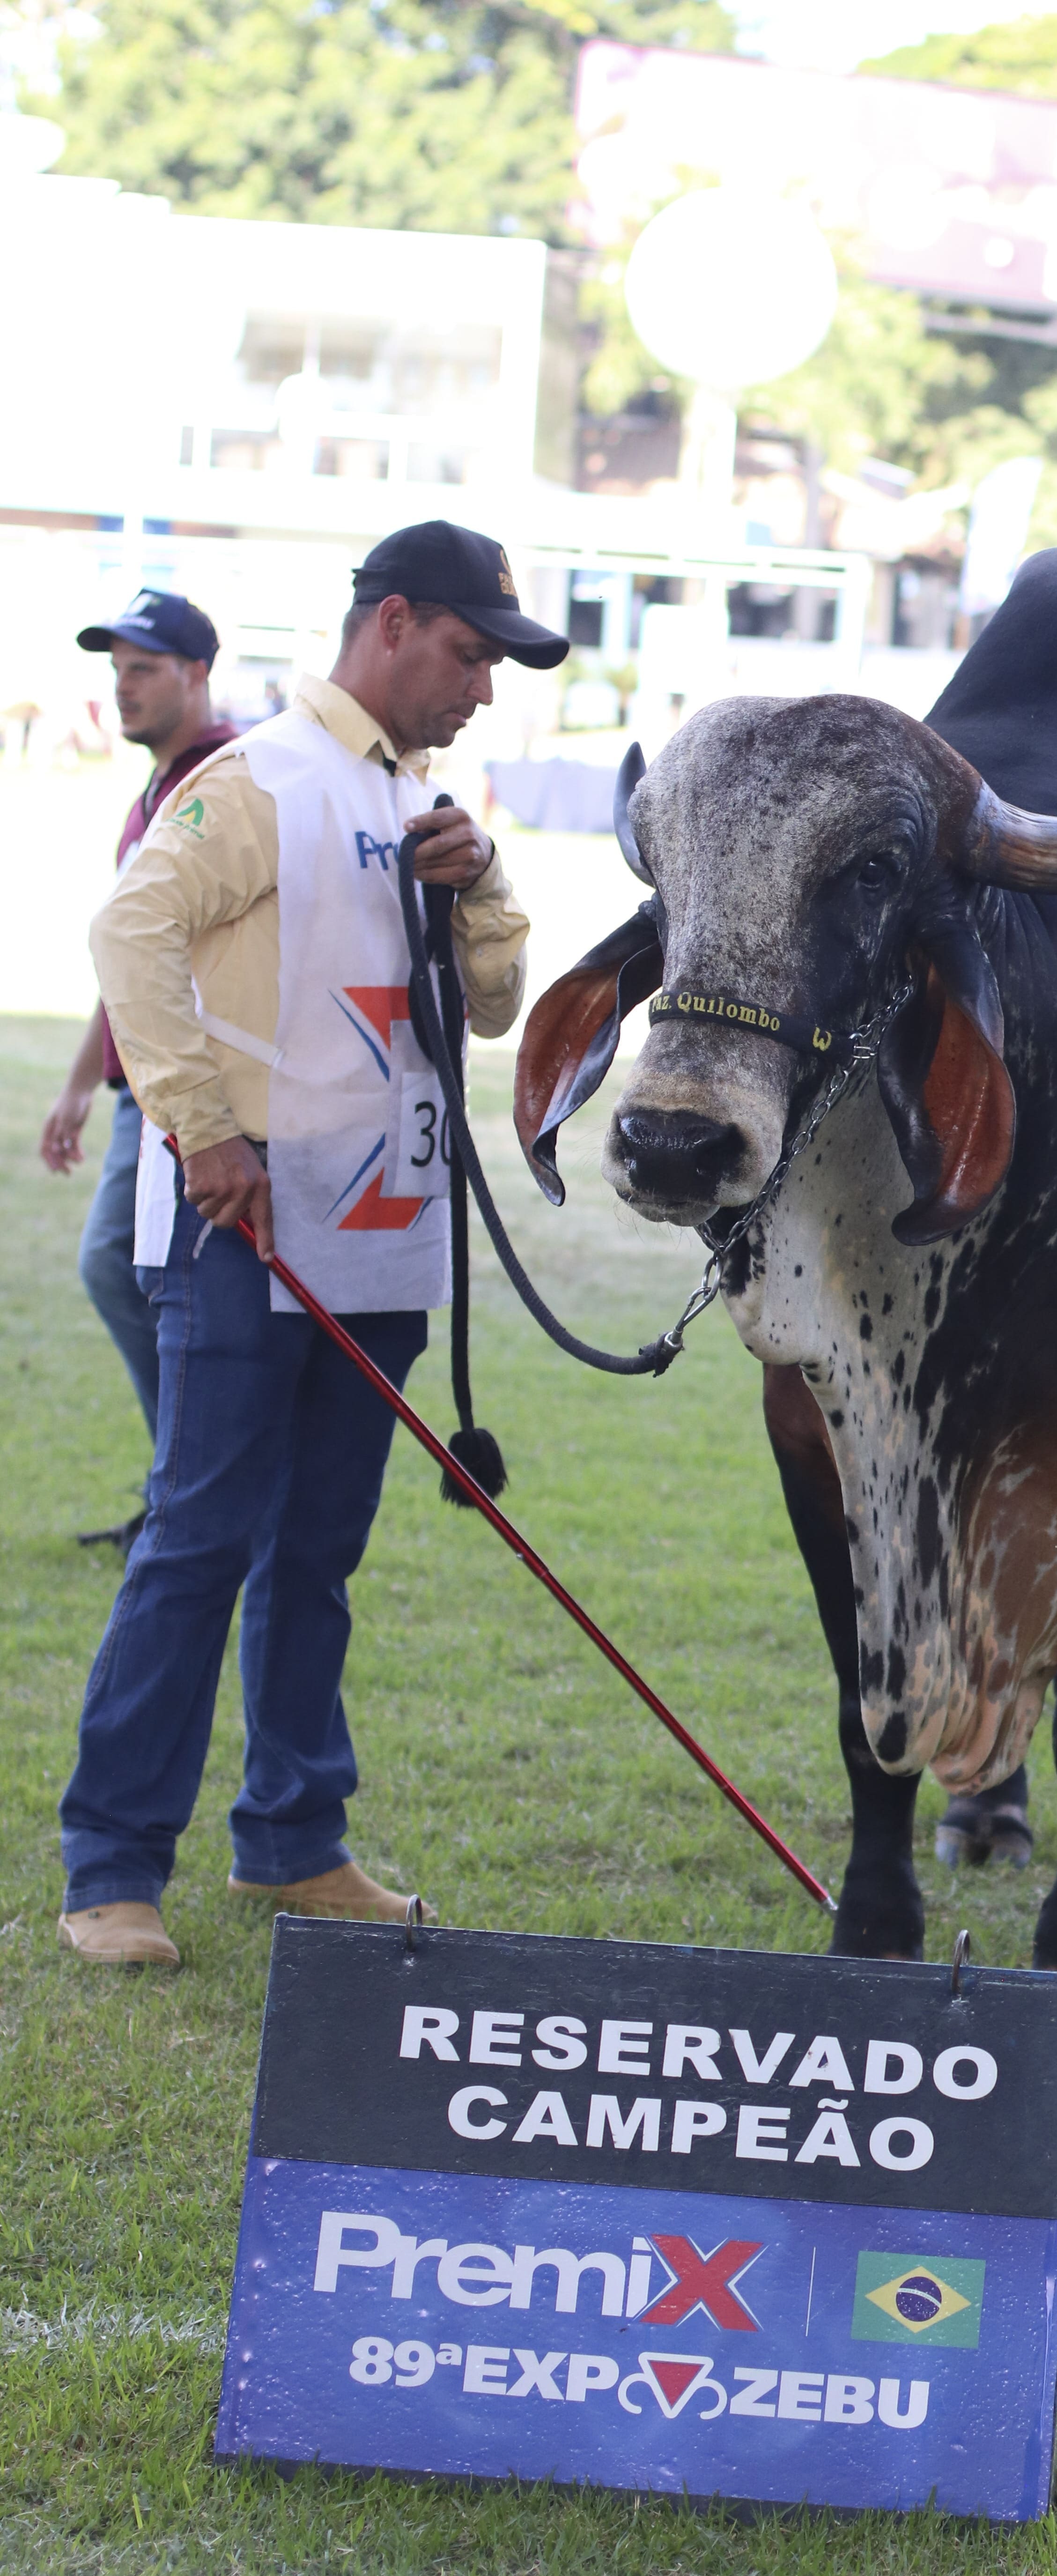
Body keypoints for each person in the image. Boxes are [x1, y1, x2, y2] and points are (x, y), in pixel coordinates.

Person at [58, 521, 568, 1967]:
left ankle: (292, 1839)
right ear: (392, 623)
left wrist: (479, 887)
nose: (480, 687)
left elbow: (487, 1006)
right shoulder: (265, 775)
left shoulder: (416, 791)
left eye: (495, 664)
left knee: (317, 1552)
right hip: (248, 1231)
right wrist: (200, 1127)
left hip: (382, 1240)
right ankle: (110, 1866)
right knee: (198, 1541)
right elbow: (129, 932)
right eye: (468, 654)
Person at [40, 594, 240, 1552]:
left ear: (199, 674)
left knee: (128, 1275)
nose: (123, 687)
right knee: (130, 1277)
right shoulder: (154, 791)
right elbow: (129, 957)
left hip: (185, 1097)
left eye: (144, 669)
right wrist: (83, 1079)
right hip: (137, 1090)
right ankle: (190, 1486)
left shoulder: (223, 781)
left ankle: (195, 1489)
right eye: (116, 669)